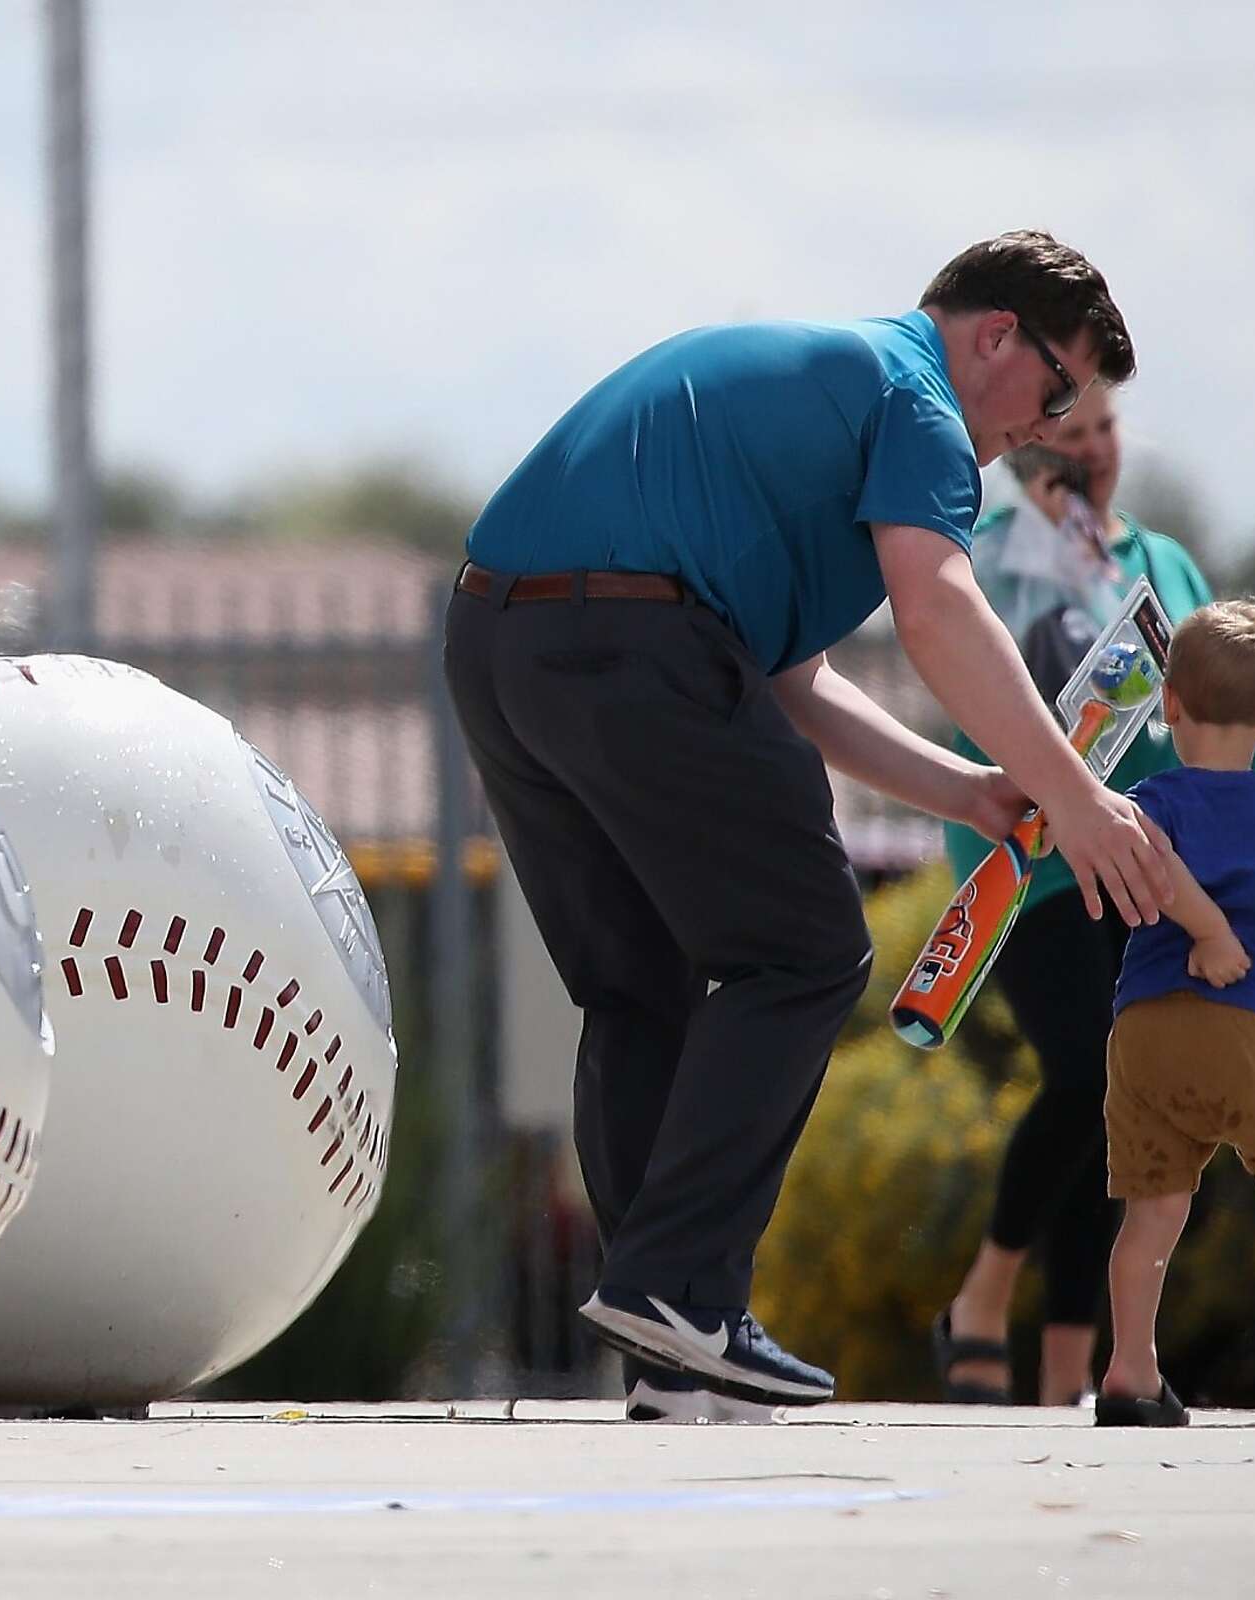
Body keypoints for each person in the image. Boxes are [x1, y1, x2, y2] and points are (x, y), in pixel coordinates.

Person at [443, 230, 1173, 1422]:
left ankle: (670, 1349)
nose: (1046, 428)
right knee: (808, 944)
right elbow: (939, 610)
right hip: (634, 646)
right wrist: (1081, 800)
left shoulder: (828, 403)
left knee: (640, 987)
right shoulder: (918, 405)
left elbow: (795, 688)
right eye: (1053, 390)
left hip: (498, 643)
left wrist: (976, 792)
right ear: (996, 335)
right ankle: (683, 1291)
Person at [931, 384, 1255, 1408]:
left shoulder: (1162, 563)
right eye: (1065, 439)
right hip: (1037, 860)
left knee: (1123, 1099)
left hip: (1150, 870)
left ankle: (1068, 1368)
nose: (1088, 456)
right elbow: (969, 679)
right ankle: (985, 1293)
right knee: (1088, 1062)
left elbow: (1224, 721)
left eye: (1103, 433)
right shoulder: (987, 553)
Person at [1091, 598, 1255, 1427]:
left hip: (1140, 1032)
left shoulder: (1149, 801)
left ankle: (1131, 1372)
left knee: (1155, 1207)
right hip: (1239, 1028)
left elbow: (1152, 867)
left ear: (1167, 705)